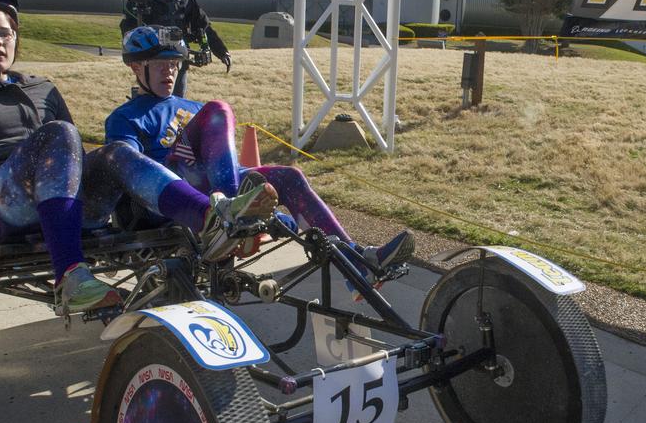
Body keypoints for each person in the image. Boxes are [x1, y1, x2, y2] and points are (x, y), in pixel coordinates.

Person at [0, 0, 275, 315]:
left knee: (114, 152)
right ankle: (70, 277)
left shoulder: (43, 89)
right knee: (59, 133)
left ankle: (211, 217)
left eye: (5, 32)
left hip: (61, 201)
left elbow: (74, 159)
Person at [105, 25, 415, 288]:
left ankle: (360, 264)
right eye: (159, 65)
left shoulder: (191, 107)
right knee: (219, 109)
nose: (169, 71)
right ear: (136, 67)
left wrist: (260, 192)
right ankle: (232, 211)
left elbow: (222, 160)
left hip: (211, 187)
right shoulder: (126, 118)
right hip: (169, 194)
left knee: (289, 177)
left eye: (174, 64)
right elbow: (127, 173)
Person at [120, 0, 230, 98]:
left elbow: (202, 25)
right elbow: (128, 27)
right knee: (148, 103)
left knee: (175, 105)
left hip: (178, 60)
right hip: (150, 61)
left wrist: (221, 51)